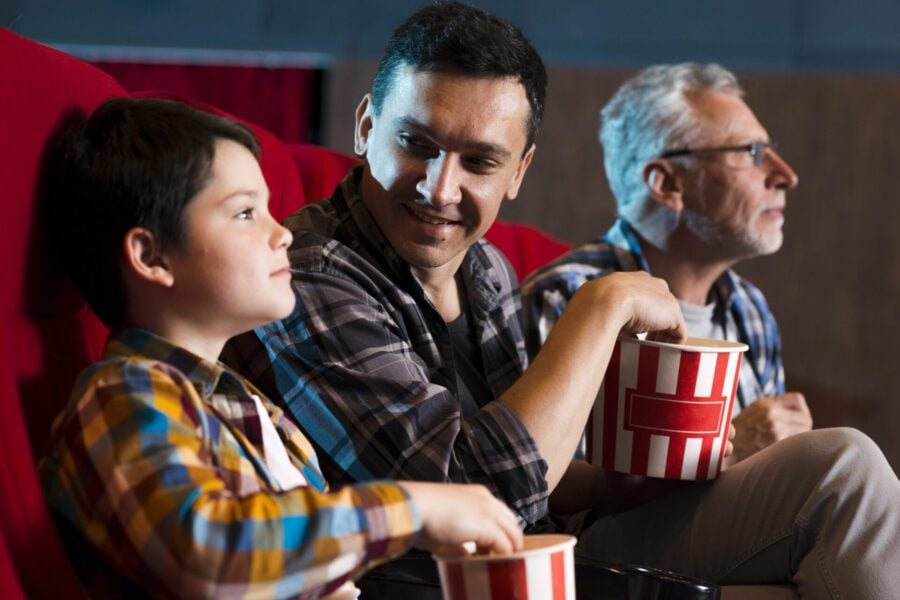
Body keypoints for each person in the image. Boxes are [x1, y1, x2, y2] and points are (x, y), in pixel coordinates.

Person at [226, 2, 900, 596]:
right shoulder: (310, 274)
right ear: (366, 127)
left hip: (555, 551)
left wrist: (611, 484)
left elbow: (537, 475)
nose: (439, 187)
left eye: (480, 162)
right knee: (840, 493)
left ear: (519, 171)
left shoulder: (481, 265)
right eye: (416, 143)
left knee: (840, 476)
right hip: (457, 578)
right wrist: (600, 311)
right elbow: (475, 499)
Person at [37, 97, 523, 600]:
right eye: (245, 212)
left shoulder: (248, 405)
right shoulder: (121, 397)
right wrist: (413, 511)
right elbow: (210, 553)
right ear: (151, 255)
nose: (282, 234)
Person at [521, 63, 812, 464]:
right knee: (849, 455)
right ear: (667, 184)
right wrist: (723, 453)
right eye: (752, 152)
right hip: (613, 529)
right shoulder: (566, 298)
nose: (786, 175)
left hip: (743, 529)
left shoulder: (750, 308)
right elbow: (543, 497)